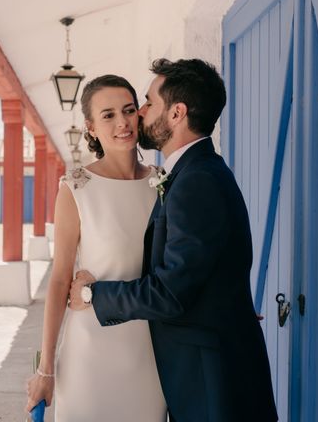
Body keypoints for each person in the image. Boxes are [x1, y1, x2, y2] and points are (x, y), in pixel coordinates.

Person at [69, 59, 278, 421]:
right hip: (206, 365)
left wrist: (93, 294)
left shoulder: (196, 181)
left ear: (177, 113)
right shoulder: (194, 172)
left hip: (211, 380)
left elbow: (170, 292)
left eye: (148, 103)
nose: (141, 113)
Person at [25, 75, 167, 421]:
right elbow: (60, 280)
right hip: (89, 352)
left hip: (151, 355)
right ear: (90, 127)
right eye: (108, 115)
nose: (122, 122)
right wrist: (46, 369)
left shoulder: (162, 183)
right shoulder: (76, 188)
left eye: (129, 110)